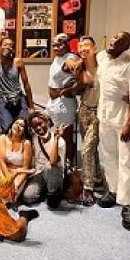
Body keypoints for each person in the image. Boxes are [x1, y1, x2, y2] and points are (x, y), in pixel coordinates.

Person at [96, 31, 130, 231]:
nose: (115, 41)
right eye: (115, 37)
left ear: (126, 47)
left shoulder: (128, 64)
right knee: (108, 156)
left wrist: (128, 124)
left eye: (121, 41)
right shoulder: (102, 58)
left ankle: (127, 204)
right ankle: (114, 191)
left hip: (122, 120)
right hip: (104, 117)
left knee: (126, 161)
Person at [73, 36, 103, 206]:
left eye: (87, 46)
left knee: (86, 149)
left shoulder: (103, 66)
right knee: (91, 148)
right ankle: (97, 177)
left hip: (100, 112)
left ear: (94, 48)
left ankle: (88, 187)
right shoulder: (79, 67)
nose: (83, 48)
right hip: (84, 110)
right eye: (80, 46)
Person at [0, 37, 34, 133]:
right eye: (5, 45)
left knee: (23, 127)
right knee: (9, 129)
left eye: (10, 46)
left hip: (18, 98)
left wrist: (31, 106)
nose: (7, 47)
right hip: (2, 99)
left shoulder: (18, 62)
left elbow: (26, 84)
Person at [46, 33, 79, 165]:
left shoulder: (69, 58)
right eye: (54, 45)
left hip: (64, 105)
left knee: (66, 137)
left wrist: (70, 89)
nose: (56, 48)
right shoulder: (57, 58)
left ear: (67, 44)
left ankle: (68, 167)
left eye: (60, 44)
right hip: (55, 103)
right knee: (57, 137)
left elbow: (78, 71)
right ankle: (59, 165)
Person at [22, 111, 66, 209]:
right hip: (39, 173)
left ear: (47, 122)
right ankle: (44, 190)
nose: (38, 128)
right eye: (34, 126)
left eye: (40, 124)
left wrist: (56, 138)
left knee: (49, 166)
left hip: (54, 172)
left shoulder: (60, 142)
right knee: (28, 197)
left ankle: (53, 192)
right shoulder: (35, 138)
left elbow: (54, 161)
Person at [0, 118, 32, 201]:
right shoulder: (3, 138)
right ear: (11, 125)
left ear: (24, 130)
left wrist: (15, 185)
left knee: (9, 196)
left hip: (19, 174)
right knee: (1, 192)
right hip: (3, 170)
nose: (18, 126)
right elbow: (1, 162)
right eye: (16, 123)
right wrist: (8, 180)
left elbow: (25, 168)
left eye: (22, 125)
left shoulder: (26, 143)